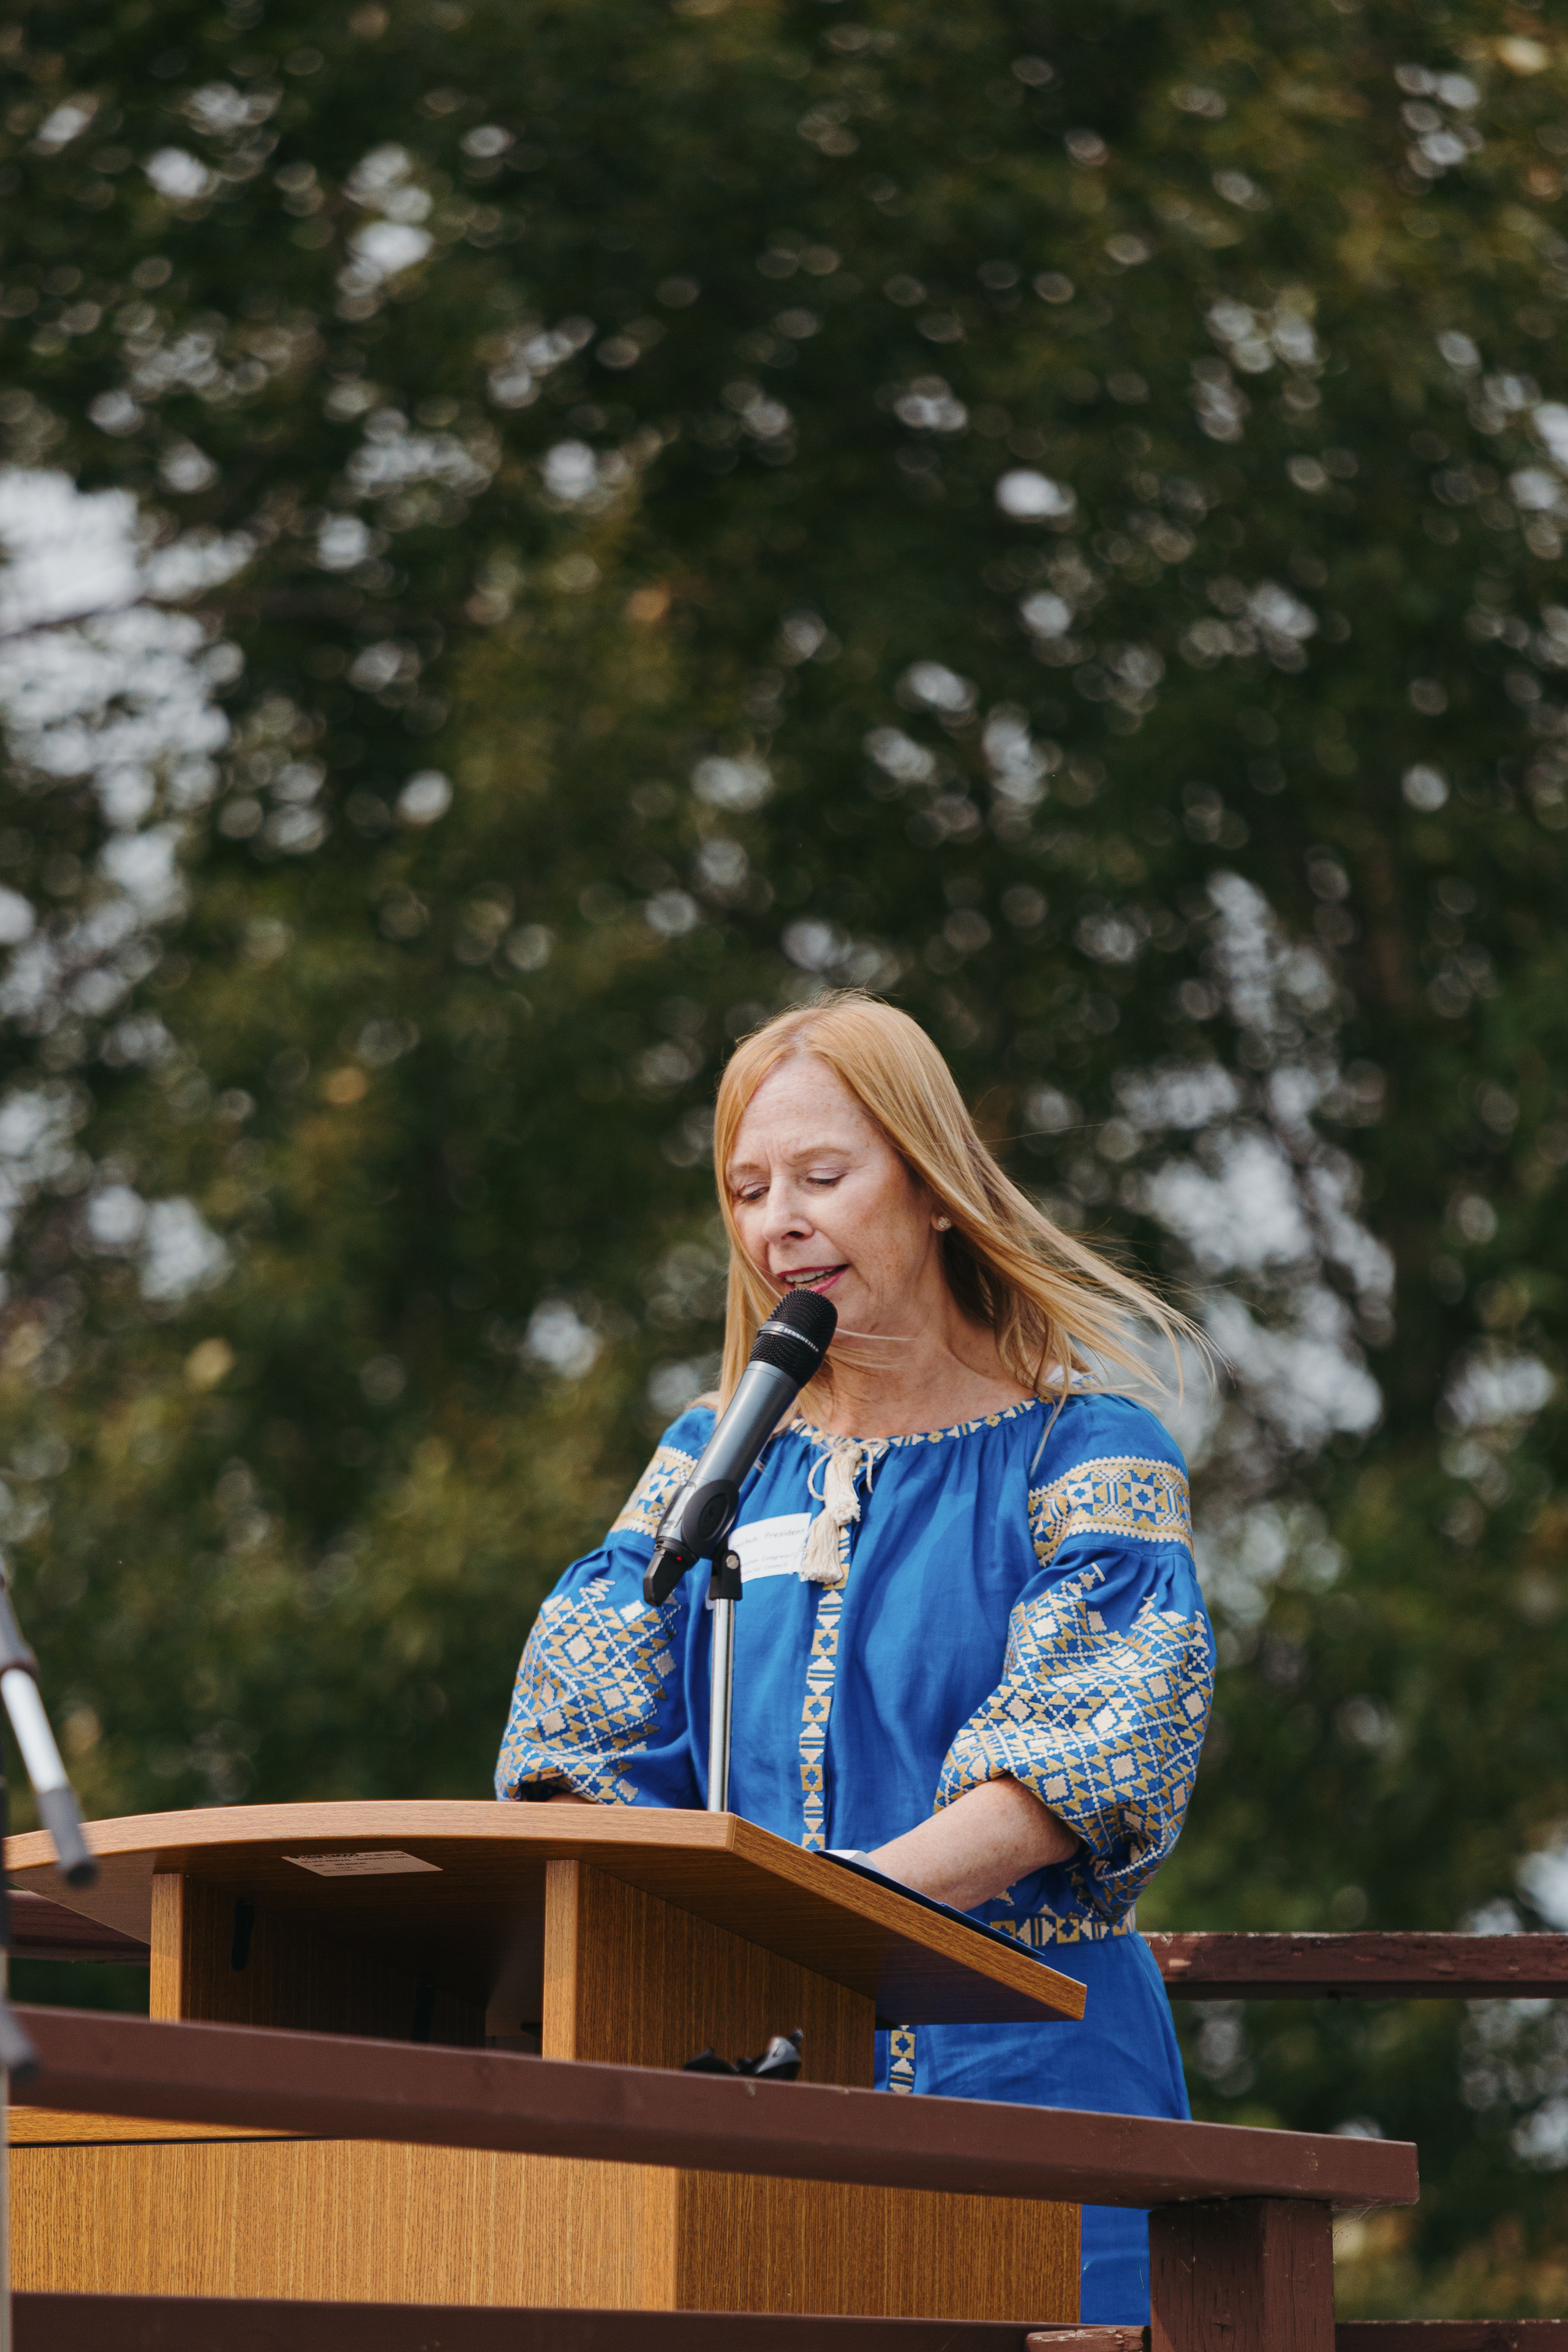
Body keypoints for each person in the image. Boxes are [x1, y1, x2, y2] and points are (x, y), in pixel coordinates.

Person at [496, 990, 1215, 2325]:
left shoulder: (1088, 1453)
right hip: (748, 2079)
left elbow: (1076, 1763)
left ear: (931, 1187)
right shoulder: (707, 1461)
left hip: (1030, 2077)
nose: (779, 1220)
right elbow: (575, 1744)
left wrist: (809, 1928)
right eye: (748, 1188)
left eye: (822, 1177)